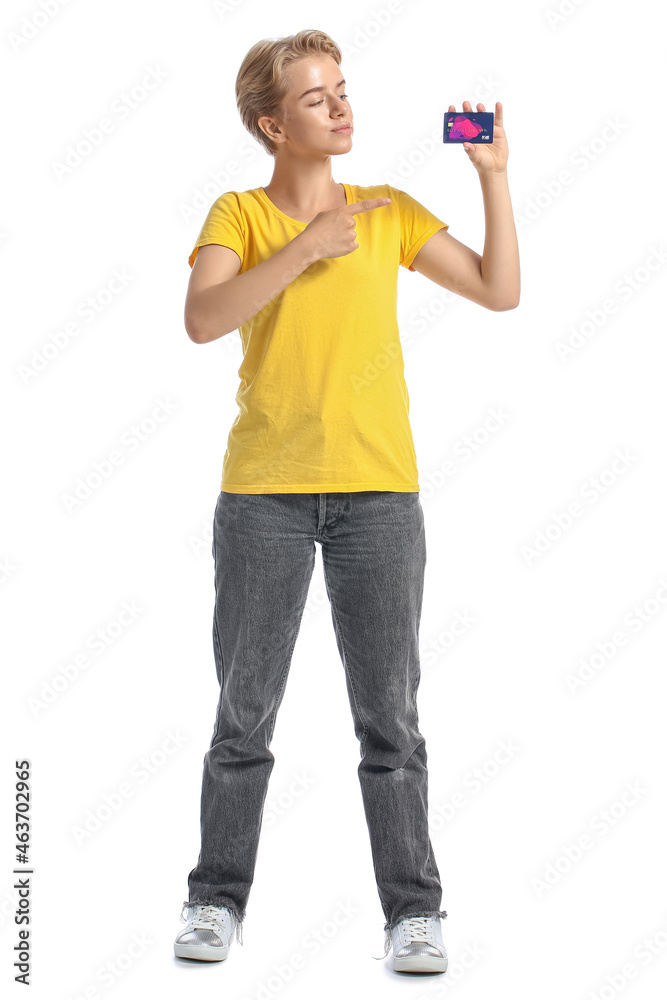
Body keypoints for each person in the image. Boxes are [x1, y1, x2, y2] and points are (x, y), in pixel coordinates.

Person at [173, 29, 520, 974]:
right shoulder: (238, 211)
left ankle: (414, 911)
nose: (339, 106)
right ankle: (214, 901)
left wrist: (491, 173)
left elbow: (499, 290)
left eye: (341, 89)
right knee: (243, 717)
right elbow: (205, 319)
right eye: (316, 98)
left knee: (391, 720)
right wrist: (306, 248)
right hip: (263, 499)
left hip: (378, 498)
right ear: (272, 124)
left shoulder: (389, 211)